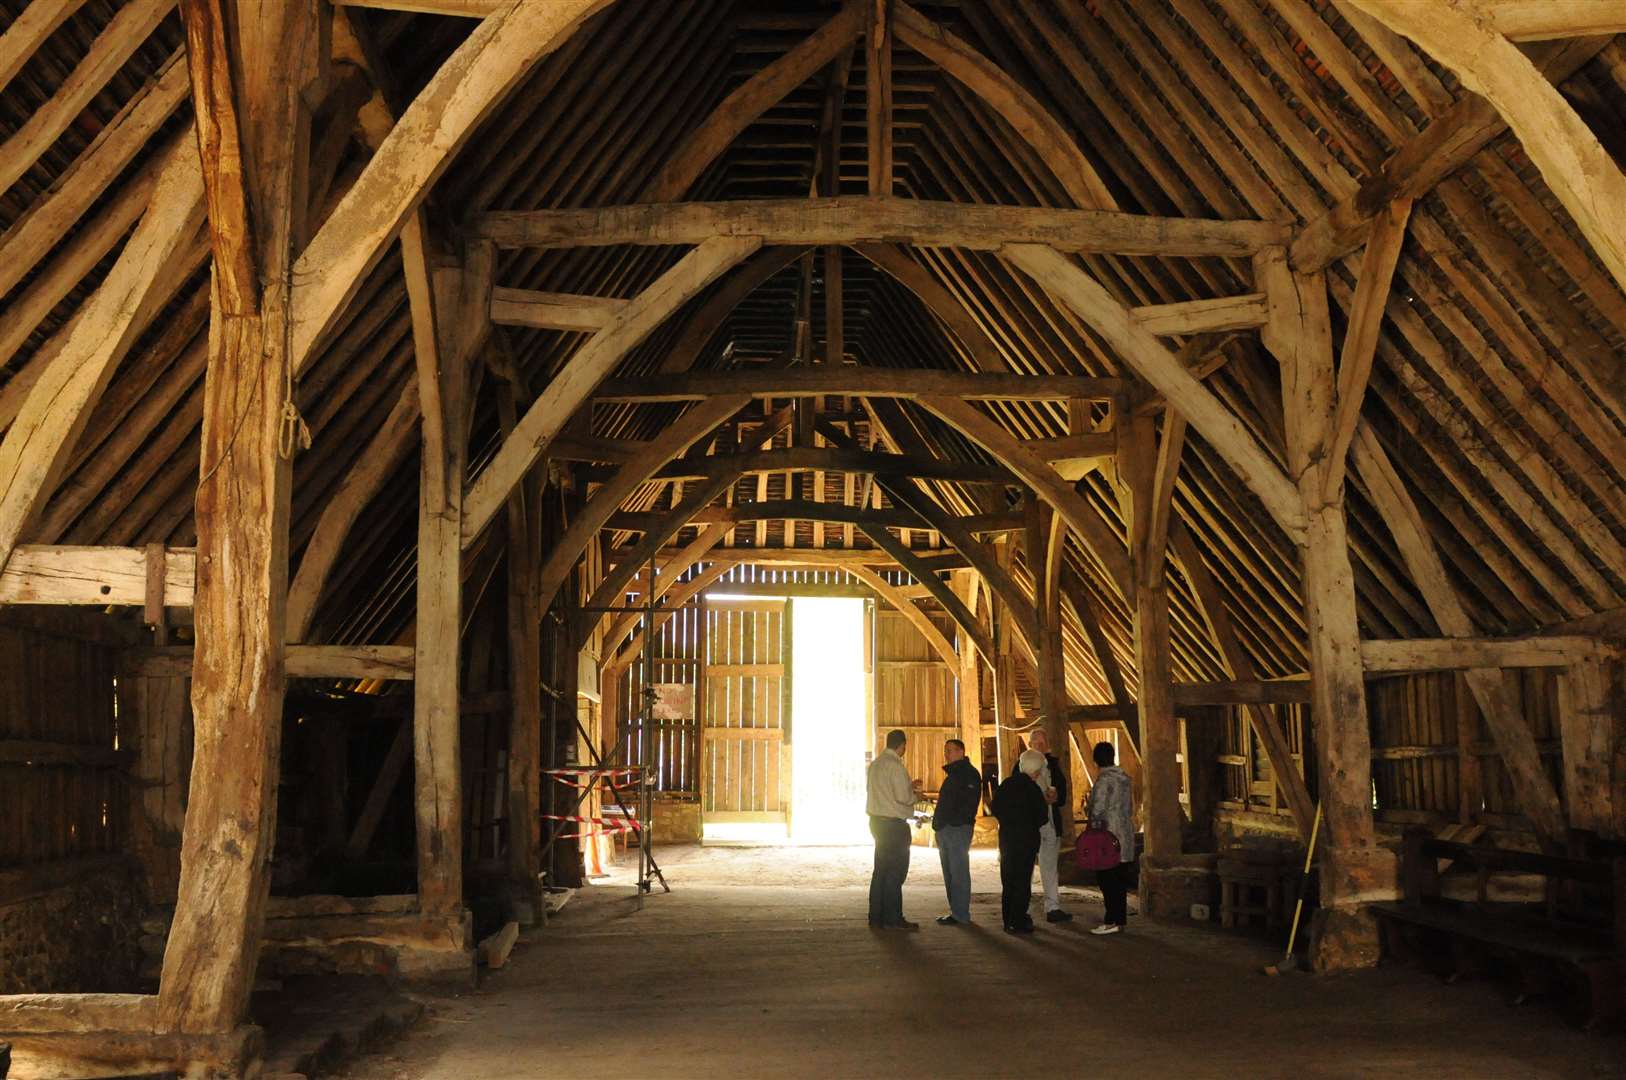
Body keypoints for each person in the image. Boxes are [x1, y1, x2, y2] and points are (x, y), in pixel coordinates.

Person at [1010, 726, 1071, 923]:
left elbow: (1062, 794)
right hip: (1027, 825)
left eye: (1042, 743)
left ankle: (1053, 907)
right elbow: (1014, 793)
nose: (1039, 745)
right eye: (1035, 742)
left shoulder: (1053, 766)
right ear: (1029, 745)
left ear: (1047, 746)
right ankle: (1023, 908)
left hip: (1049, 823)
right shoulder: (1019, 766)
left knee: (1049, 866)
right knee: (1025, 866)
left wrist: (1056, 796)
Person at [866, 728, 919, 930]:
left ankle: (876, 916)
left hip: (877, 822)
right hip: (894, 825)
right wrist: (916, 796)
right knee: (895, 872)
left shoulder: (876, 764)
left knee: (880, 870)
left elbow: (884, 791)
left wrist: (907, 786)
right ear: (902, 745)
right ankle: (893, 917)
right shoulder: (895, 766)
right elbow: (902, 797)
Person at [991, 750, 1049, 934]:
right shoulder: (1033, 789)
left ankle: (1008, 919)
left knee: (1008, 879)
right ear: (1036, 771)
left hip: (1008, 840)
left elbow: (995, 808)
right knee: (1023, 881)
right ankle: (1018, 920)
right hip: (1026, 841)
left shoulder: (1006, 784)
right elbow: (1042, 817)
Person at [1086, 740, 1136, 935]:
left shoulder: (1103, 780)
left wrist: (1089, 812)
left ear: (1096, 760)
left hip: (1107, 836)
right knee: (1120, 880)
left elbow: (1097, 809)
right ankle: (1120, 920)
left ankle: (1111, 921)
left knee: (1107, 879)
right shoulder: (1124, 778)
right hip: (1125, 832)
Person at [931, 738, 981, 926]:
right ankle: (956, 911)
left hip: (957, 829)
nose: (947, 754)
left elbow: (967, 804)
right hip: (947, 828)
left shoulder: (968, 775)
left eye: (950, 750)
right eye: (946, 751)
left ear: (961, 752)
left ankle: (961, 913)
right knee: (950, 872)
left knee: (958, 871)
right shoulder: (954, 776)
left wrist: (951, 822)